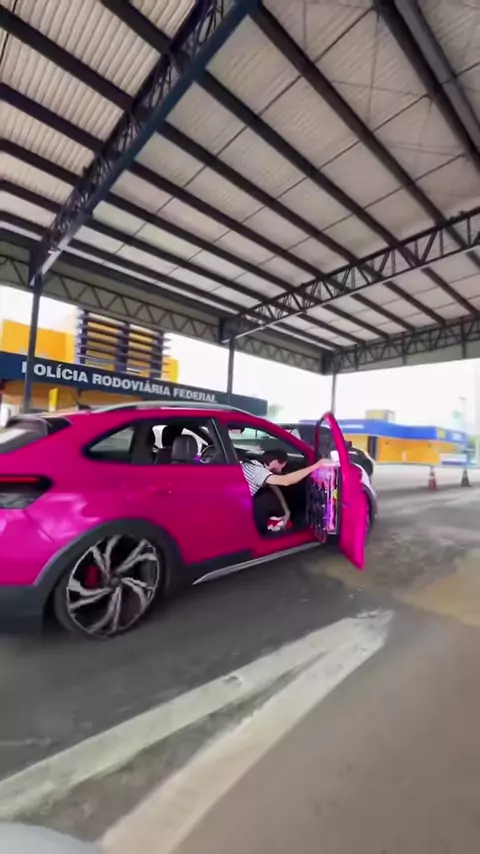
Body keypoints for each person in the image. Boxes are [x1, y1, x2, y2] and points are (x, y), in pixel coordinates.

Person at [241, 450, 328, 532]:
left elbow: (274, 486)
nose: (282, 470)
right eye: (282, 465)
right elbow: (286, 481)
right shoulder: (257, 472)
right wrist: (317, 465)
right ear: (275, 462)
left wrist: (286, 511)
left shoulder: (252, 465)